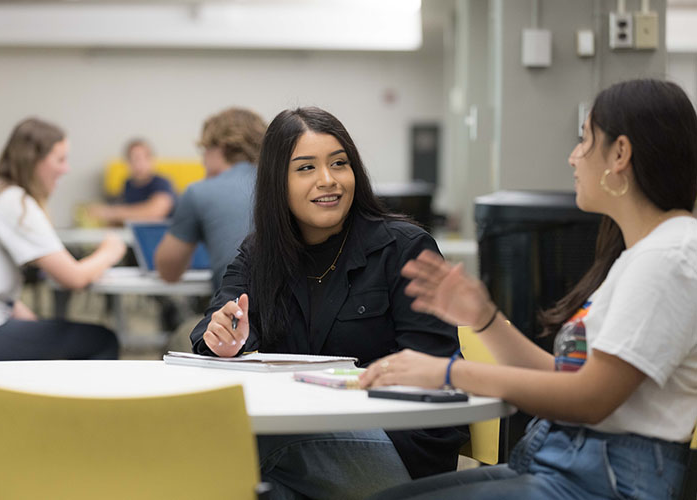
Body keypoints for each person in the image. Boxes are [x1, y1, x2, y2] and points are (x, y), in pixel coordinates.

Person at [360, 79, 697, 500]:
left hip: (602, 480)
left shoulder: (670, 256)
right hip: (565, 462)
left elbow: (590, 399)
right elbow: (566, 379)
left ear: (621, 153)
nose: (573, 157)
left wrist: (448, 372)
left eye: (585, 141)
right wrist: (483, 318)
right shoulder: (645, 254)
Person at [190, 107, 464, 499]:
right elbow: (214, 324)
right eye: (305, 168)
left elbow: (435, 369)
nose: (328, 180)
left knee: (226, 440)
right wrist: (222, 338)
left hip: (400, 450)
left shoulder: (403, 248)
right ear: (276, 183)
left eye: (339, 164)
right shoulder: (258, 255)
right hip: (305, 450)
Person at [0, 117, 125, 361]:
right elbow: (73, 278)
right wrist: (110, 250)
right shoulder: (15, 203)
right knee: (102, 341)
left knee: (53, 332)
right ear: (34, 162)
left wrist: (34, 322)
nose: (67, 169)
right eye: (60, 159)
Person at [155, 107, 266, 288]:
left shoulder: (199, 192)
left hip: (235, 310)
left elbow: (168, 271)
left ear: (219, 148)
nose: (202, 161)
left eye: (204, 151)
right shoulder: (288, 185)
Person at [88, 138, 175, 224]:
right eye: (133, 159)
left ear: (151, 159)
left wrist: (111, 213)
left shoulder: (161, 182)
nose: (139, 164)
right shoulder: (128, 184)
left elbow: (156, 211)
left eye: (143, 158)